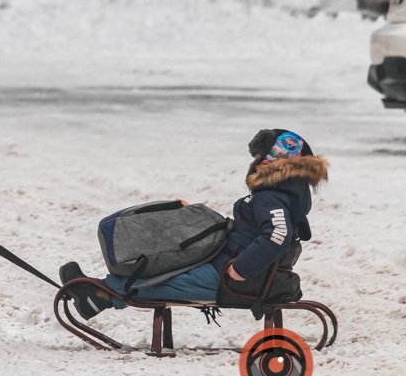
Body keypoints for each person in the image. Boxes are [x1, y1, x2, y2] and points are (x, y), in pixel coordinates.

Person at [60, 129, 329, 319]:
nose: (252, 163)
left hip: (229, 279)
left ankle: (98, 295)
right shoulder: (278, 196)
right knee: (171, 263)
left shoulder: (272, 197)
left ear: (274, 161)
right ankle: (99, 295)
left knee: (163, 278)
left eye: (258, 157)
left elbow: (277, 235)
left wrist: (242, 270)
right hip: (222, 265)